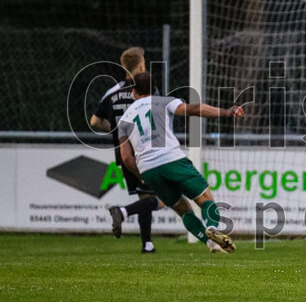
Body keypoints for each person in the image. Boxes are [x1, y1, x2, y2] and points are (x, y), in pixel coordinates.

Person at [117, 72, 243, 253]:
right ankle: (212, 227)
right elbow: (194, 110)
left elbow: (126, 157)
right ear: (154, 89)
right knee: (205, 199)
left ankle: (212, 244)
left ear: (134, 91)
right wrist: (225, 112)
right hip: (171, 159)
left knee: (183, 210)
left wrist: (141, 176)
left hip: (148, 169)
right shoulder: (164, 101)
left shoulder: (124, 119)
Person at [90, 47, 163, 253]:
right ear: (141, 66)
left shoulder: (112, 93)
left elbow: (95, 121)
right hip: (145, 152)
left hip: (123, 154)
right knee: (167, 196)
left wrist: (115, 130)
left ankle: (147, 244)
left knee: (145, 197)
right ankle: (123, 212)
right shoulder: (148, 91)